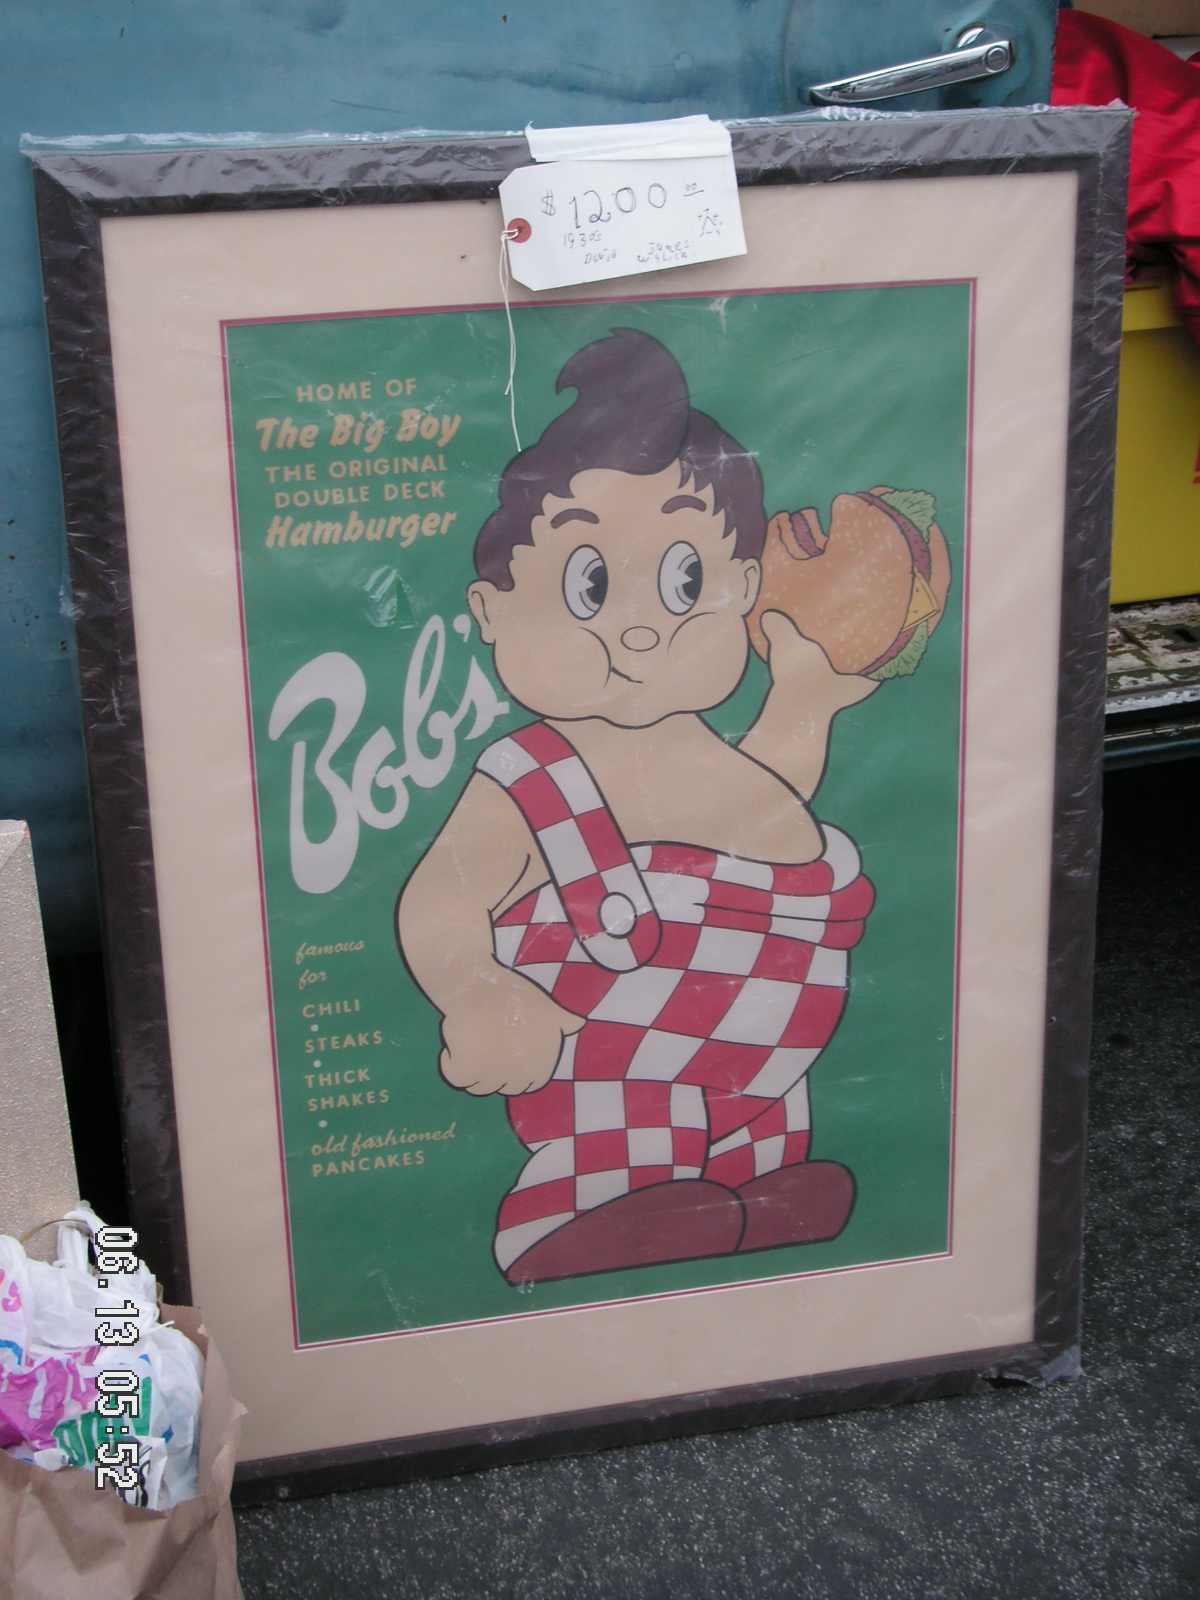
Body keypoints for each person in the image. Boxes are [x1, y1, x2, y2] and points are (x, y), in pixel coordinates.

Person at [397, 328, 877, 1286]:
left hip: (766, 1063)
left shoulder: (712, 754)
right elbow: (441, 899)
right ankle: (572, 1221)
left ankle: (756, 1195)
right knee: (636, 1141)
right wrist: (481, 991)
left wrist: (803, 702)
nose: (641, 629)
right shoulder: (532, 777)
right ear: (493, 611)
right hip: (618, 1071)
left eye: (685, 580)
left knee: (753, 1155)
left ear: (744, 591)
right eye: (587, 586)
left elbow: (766, 800)